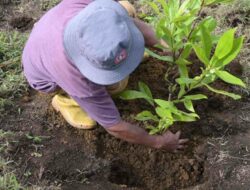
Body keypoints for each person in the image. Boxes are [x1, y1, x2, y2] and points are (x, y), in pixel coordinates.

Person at [22, 0, 188, 152]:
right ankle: (66, 100)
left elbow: (131, 23)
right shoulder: (75, 76)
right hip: (45, 76)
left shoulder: (98, 7)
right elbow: (115, 127)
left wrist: (169, 48)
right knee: (117, 86)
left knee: (126, 10)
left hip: (50, 31)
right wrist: (158, 142)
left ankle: (122, 54)